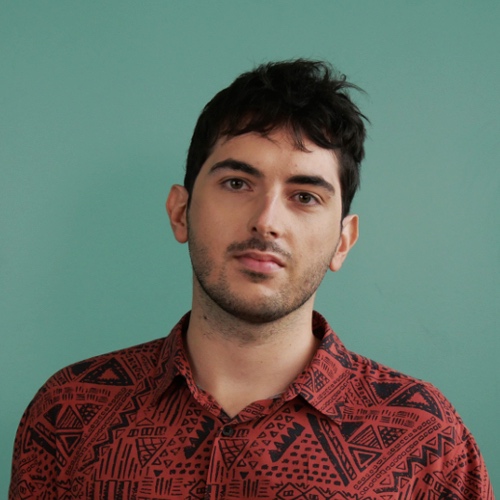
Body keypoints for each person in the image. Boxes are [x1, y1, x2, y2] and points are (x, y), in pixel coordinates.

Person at [9, 59, 493, 500]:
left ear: (343, 241)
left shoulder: (426, 438)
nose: (266, 221)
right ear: (180, 212)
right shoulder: (69, 412)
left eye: (305, 196)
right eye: (237, 183)